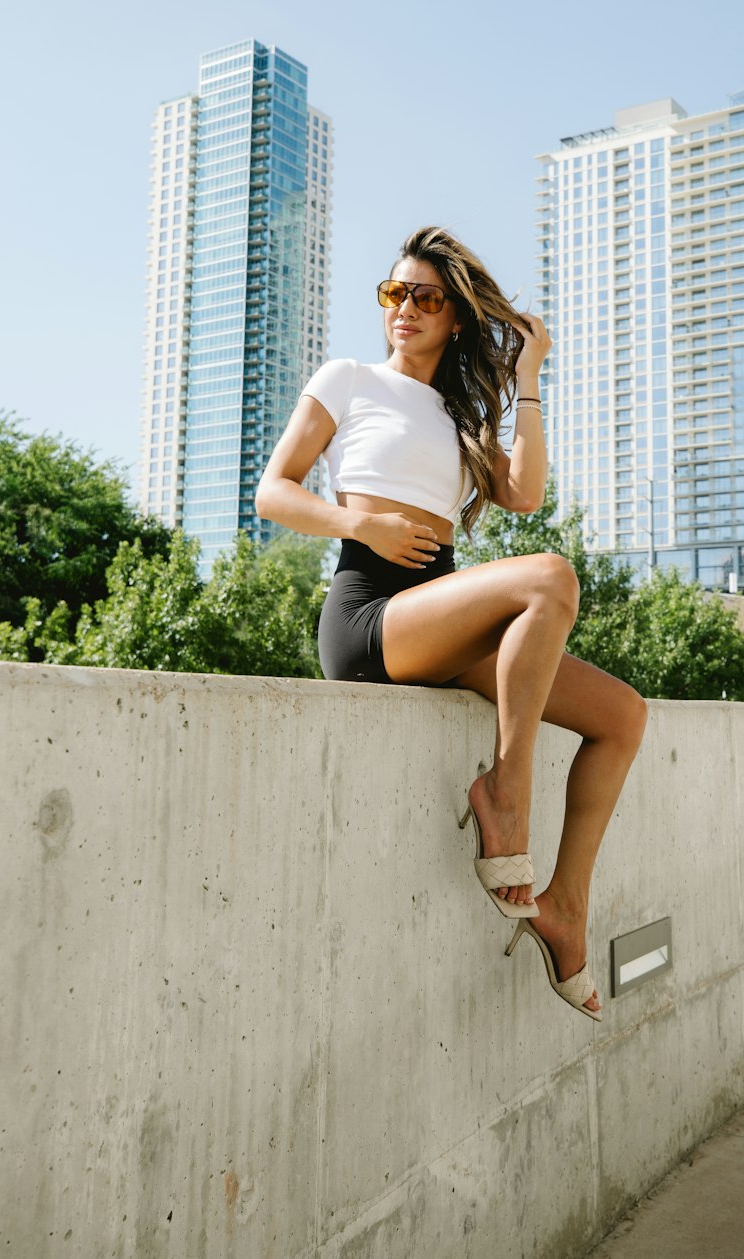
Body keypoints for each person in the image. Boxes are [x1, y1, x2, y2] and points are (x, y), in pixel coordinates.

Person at [255, 226, 647, 1019]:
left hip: (437, 619)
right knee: (549, 577)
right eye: (393, 293)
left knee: (622, 717)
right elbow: (274, 490)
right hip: (370, 615)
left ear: (456, 317)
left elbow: (525, 494)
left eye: (425, 297)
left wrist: (529, 377)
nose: (405, 308)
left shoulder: (455, 412)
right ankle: (505, 792)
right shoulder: (350, 379)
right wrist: (362, 527)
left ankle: (566, 905)